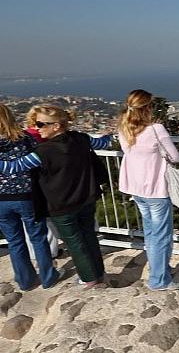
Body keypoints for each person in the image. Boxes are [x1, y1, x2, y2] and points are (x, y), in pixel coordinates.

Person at [0, 104, 111, 289]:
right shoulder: (80, 138)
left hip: (61, 204)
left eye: (41, 124)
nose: (36, 128)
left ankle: (89, 279)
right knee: (89, 237)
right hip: (86, 198)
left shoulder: (44, 151)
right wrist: (112, 134)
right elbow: (103, 143)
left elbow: (13, 167)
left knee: (74, 242)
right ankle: (99, 274)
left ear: (56, 126)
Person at [117, 89, 179, 291]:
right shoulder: (156, 129)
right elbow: (175, 157)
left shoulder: (124, 128)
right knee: (161, 235)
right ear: (147, 108)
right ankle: (159, 280)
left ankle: (160, 269)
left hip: (136, 189)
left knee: (151, 233)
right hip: (155, 188)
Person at [0, 104, 62, 290]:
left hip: (1, 200)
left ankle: (25, 281)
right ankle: (48, 277)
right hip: (27, 196)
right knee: (38, 237)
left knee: (14, 241)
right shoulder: (24, 138)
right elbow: (39, 160)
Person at [23, 105, 60, 259]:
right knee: (47, 219)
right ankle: (51, 252)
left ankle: (36, 255)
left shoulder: (24, 135)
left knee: (30, 223)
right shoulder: (42, 137)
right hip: (44, 181)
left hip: (24, 185)